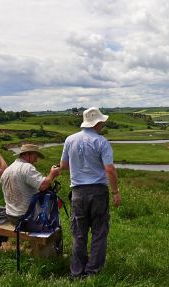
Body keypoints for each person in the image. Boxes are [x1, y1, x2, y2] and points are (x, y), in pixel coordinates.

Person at [60, 107, 122, 279]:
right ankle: (93, 272)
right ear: (97, 123)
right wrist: (115, 192)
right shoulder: (102, 142)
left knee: (79, 233)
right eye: (101, 122)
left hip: (78, 192)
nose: (103, 124)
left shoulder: (70, 140)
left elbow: (63, 165)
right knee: (99, 232)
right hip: (98, 192)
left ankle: (76, 272)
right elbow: (109, 169)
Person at [1, 144, 60, 226]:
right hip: (25, 217)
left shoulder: (8, 169)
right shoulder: (27, 167)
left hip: (11, 216)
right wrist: (52, 174)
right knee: (54, 213)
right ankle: (54, 235)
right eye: (35, 157)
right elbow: (43, 186)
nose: (35, 161)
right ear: (27, 154)